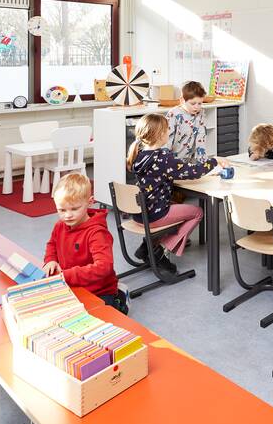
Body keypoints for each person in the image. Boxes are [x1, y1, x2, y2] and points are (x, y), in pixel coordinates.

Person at [127, 113, 228, 266]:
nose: (170, 132)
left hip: (140, 213)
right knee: (197, 213)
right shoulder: (163, 157)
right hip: (154, 216)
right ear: (160, 134)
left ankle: (146, 246)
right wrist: (214, 161)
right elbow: (193, 172)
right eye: (168, 129)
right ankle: (160, 248)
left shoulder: (139, 155)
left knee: (174, 203)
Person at [43, 173, 128, 314]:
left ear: (90, 202)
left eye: (74, 209)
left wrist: (67, 275)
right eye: (62, 210)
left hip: (99, 290)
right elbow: (52, 244)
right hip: (71, 284)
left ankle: (119, 300)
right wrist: (50, 260)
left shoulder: (97, 233)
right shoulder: (60, 225)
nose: (67, 215)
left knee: (97, 321)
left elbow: (103, 267)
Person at [167, 80, 207, 160]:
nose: (196, 107)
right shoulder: (173, 114)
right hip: (172, 160)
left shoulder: (200, 113)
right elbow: (167, 139)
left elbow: (201, 138)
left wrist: (202, 161)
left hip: (190, 160)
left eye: (200, 103)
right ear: (182, 100)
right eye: (193, 103)